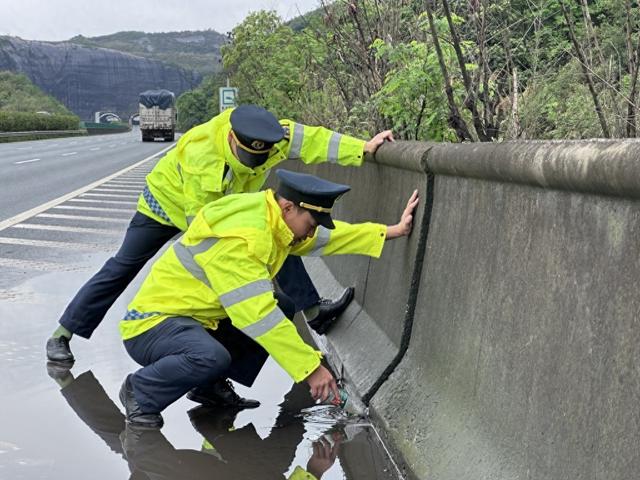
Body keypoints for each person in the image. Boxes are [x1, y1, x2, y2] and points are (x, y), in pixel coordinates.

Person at [46, 104, 394, 373]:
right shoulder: (204, 159)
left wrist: (363, 148)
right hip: (167, 204)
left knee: (281, 234)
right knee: (123, 265)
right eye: (246, 158)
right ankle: (64, 332)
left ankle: (314, 311)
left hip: (228, 207)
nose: (254, 164)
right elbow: (208, 233)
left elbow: (313, 140)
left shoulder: (270, 137)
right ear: (231, 140)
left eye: (261, 158)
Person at [118, 168, 419, 428]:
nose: (310, 233)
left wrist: (390, 231)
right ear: (288, 207)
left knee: (283, 305)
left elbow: (327, 237)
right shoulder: (245, 238)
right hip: (151, 326)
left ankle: (208, 387)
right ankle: (141, 391)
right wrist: (311, 369)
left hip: (194, 319)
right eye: (310, 225)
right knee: (212, 355)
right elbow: (257, 315)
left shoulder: (272, 218)